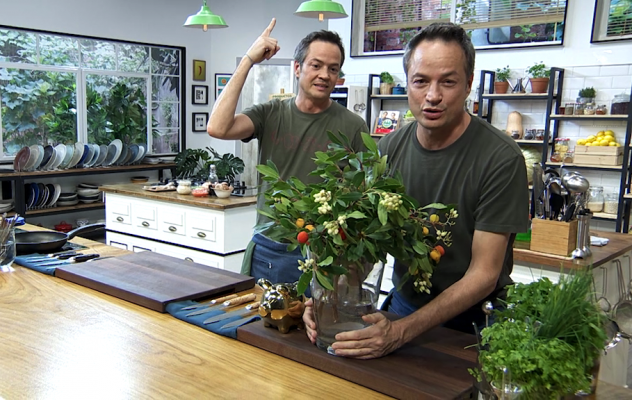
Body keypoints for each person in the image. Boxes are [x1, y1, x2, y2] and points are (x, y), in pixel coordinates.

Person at [303, 23, 529, 359]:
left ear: (468, 85)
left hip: (476, 324)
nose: (433, 96)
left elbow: (484, 274)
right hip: (406, 306)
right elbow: (365, 246)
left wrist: (401, 332)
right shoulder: (388, 150)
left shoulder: (500, 158)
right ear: (407, 83)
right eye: (421, 81)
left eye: (448, 82)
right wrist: (326, 297)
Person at [206, 19, 368, 285]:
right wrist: (248, 60)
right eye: (316, 65)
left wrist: (353, 267)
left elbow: (364, 198)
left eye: (333, 68)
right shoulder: (270, 114)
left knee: (319, 328)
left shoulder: (353, 126)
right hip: (271, 249)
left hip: (325, 253)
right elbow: (217, 127)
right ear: (297, 67)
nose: (324, 75)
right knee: (261, 326)